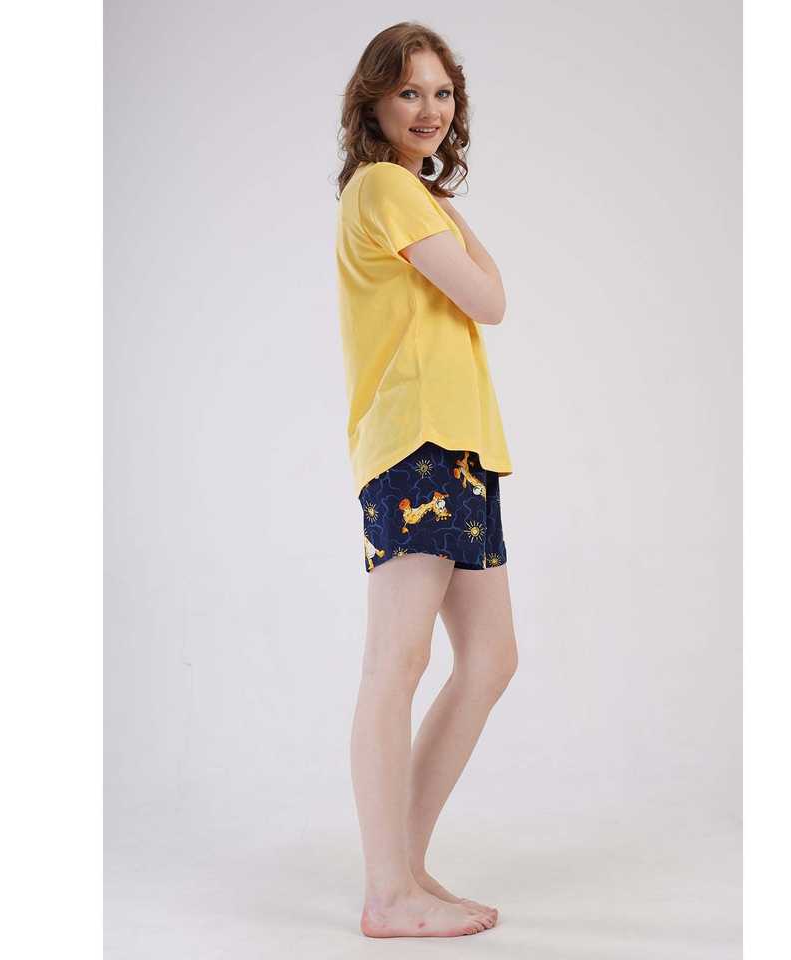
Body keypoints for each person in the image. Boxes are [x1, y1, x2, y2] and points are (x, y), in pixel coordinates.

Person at [335, 22, 518, 939]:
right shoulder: (384, 188)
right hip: (417, 443)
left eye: (442, 93)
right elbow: (489, 297)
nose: (430, 109)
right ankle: (387, 893)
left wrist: (439, 200)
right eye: (409, 91)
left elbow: (486, 296)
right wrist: (440, 205)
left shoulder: (412, 193)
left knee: (491, 659)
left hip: (461, 446)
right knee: (397, 662)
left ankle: (404, 869)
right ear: (372, 101)